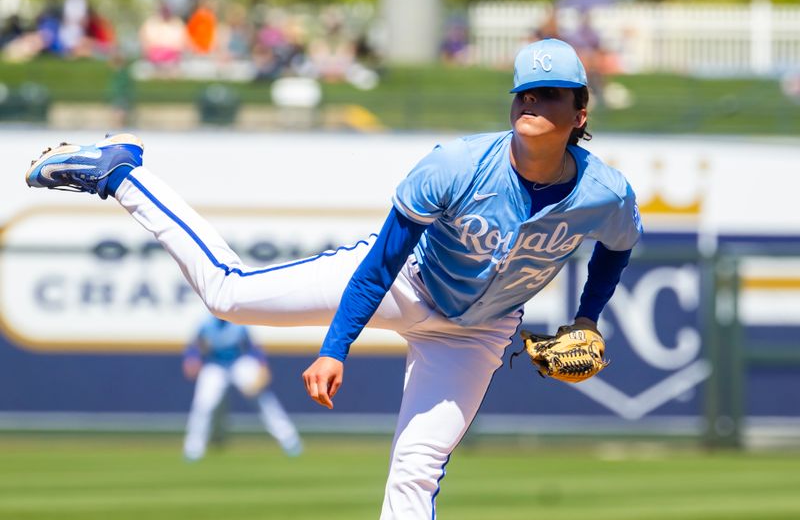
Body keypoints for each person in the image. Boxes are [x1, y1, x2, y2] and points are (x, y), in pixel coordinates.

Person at [25, 38, 642, 519]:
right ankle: (120, 174)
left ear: (580, 110)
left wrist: (588, 315)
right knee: (228, 293)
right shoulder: (456, 166)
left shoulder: (604, 192)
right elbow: (381, 263)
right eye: (524, 95)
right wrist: (334, 348)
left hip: (477, 333)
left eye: (551, 95)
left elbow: (615, 249)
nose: (533, 104)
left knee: (417, 467)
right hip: (407, 284)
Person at [182, 315, 303, 461]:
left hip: (238, 362)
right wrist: (192, 359)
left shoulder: (238, 323)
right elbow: (194, 348)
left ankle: (289, 440)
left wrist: (262, 366)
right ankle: (193, 449)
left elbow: (253, 348)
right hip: (215, 365)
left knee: (262, 398)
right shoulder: (206, 324)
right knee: (204, 404)